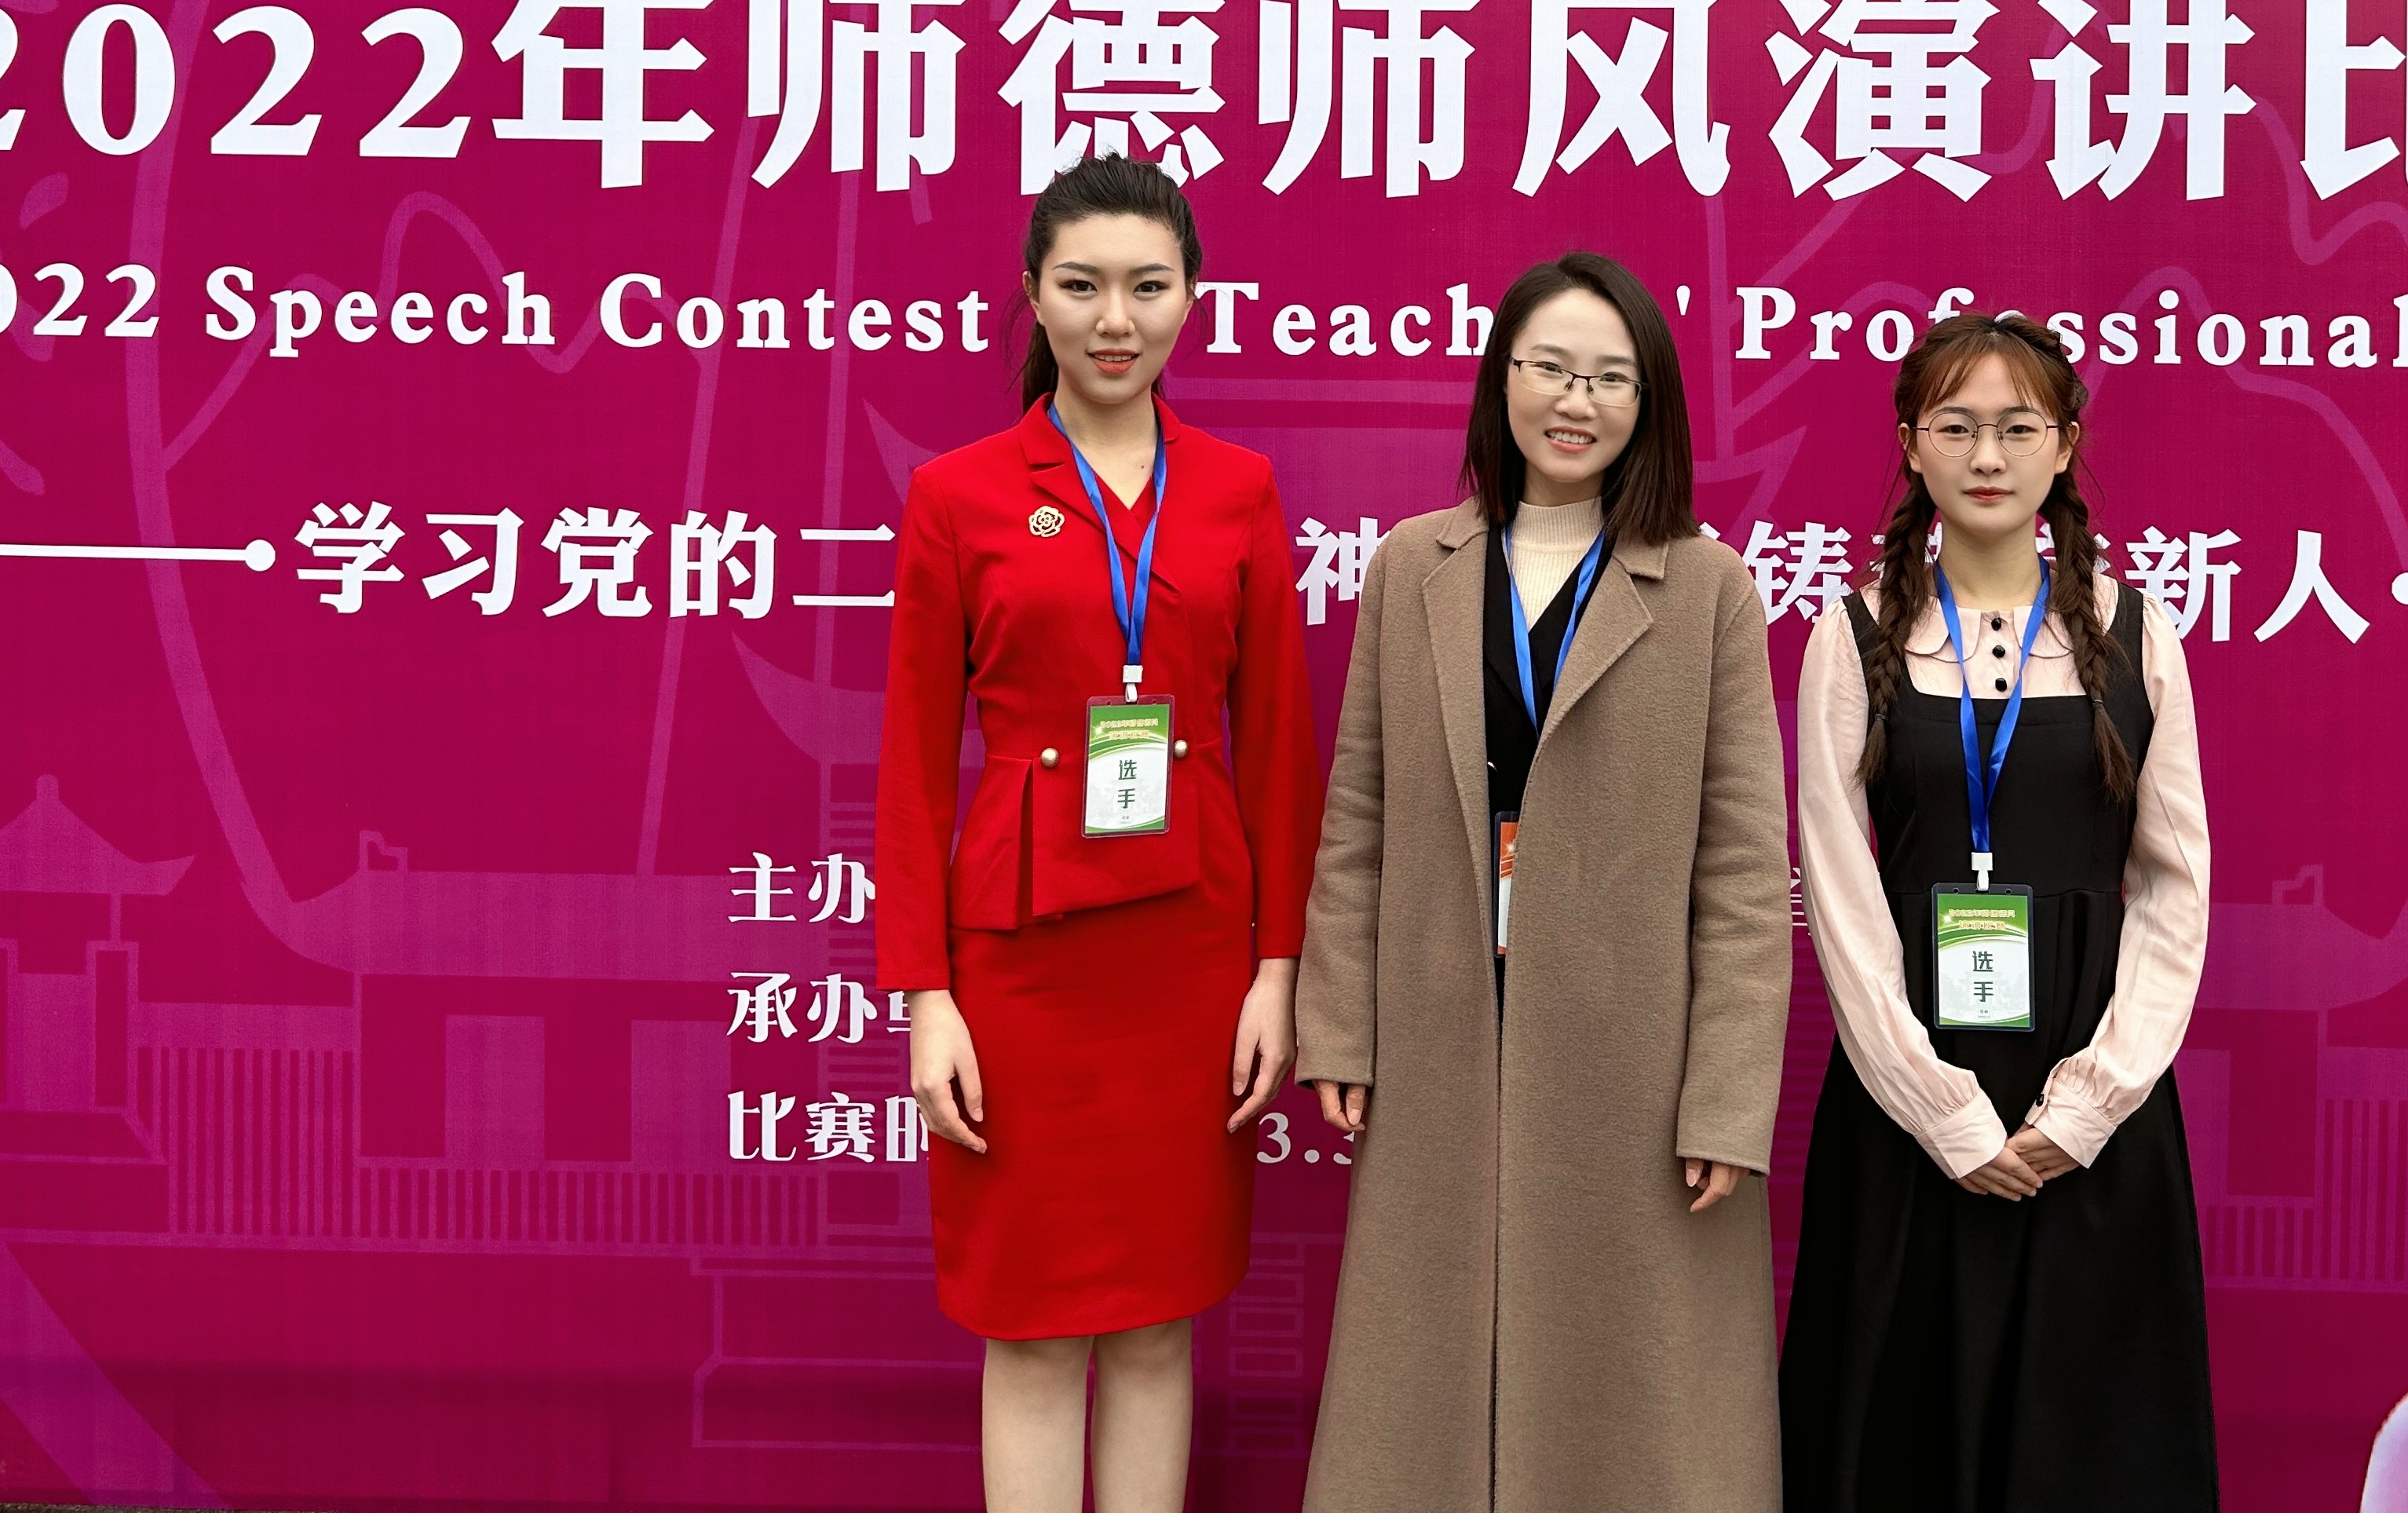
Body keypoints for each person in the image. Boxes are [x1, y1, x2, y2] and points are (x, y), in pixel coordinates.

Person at [1296, 251, 1792, 1513]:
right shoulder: (1413, 564)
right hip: (1442, 1030)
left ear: (1649, 401)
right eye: (1551, 368)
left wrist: (1728, 1099)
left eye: (1611, 378)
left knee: (1636, 1413)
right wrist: (1339, 1024)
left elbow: (1745, 871)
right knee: (1426, 1398)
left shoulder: (1709, 588)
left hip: (1637, 1060)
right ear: (1502, 378)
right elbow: (1358, 814)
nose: (1576, 401)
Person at [876, 156, 1324, 1513]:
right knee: (1028, 1329)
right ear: (1032, 296)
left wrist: (1277, 974)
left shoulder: (1239, 489)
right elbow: (912, 769)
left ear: (1193, 297)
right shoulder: (958, 493)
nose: (1115, 319)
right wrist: (926, 998)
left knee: (1154, 1322)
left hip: (1192, 963)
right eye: (1081, 286)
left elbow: (1279, 752)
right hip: (1020, 968)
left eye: (1147, 286)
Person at [1778, 311, 2218, 1509]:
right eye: (1956, 426)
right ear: (1910, 444)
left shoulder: (2136, 633)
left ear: (2064, 446)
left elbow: (2175, 889)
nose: (1987, 456)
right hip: (1905, 1111)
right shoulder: (1853, 633)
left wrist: (2089, 1107)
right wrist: (1945, 1116)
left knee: (2092, 1447)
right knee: (1900, 1437)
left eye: (2018, 428)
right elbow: (1839, 887)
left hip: (2093, 1107)